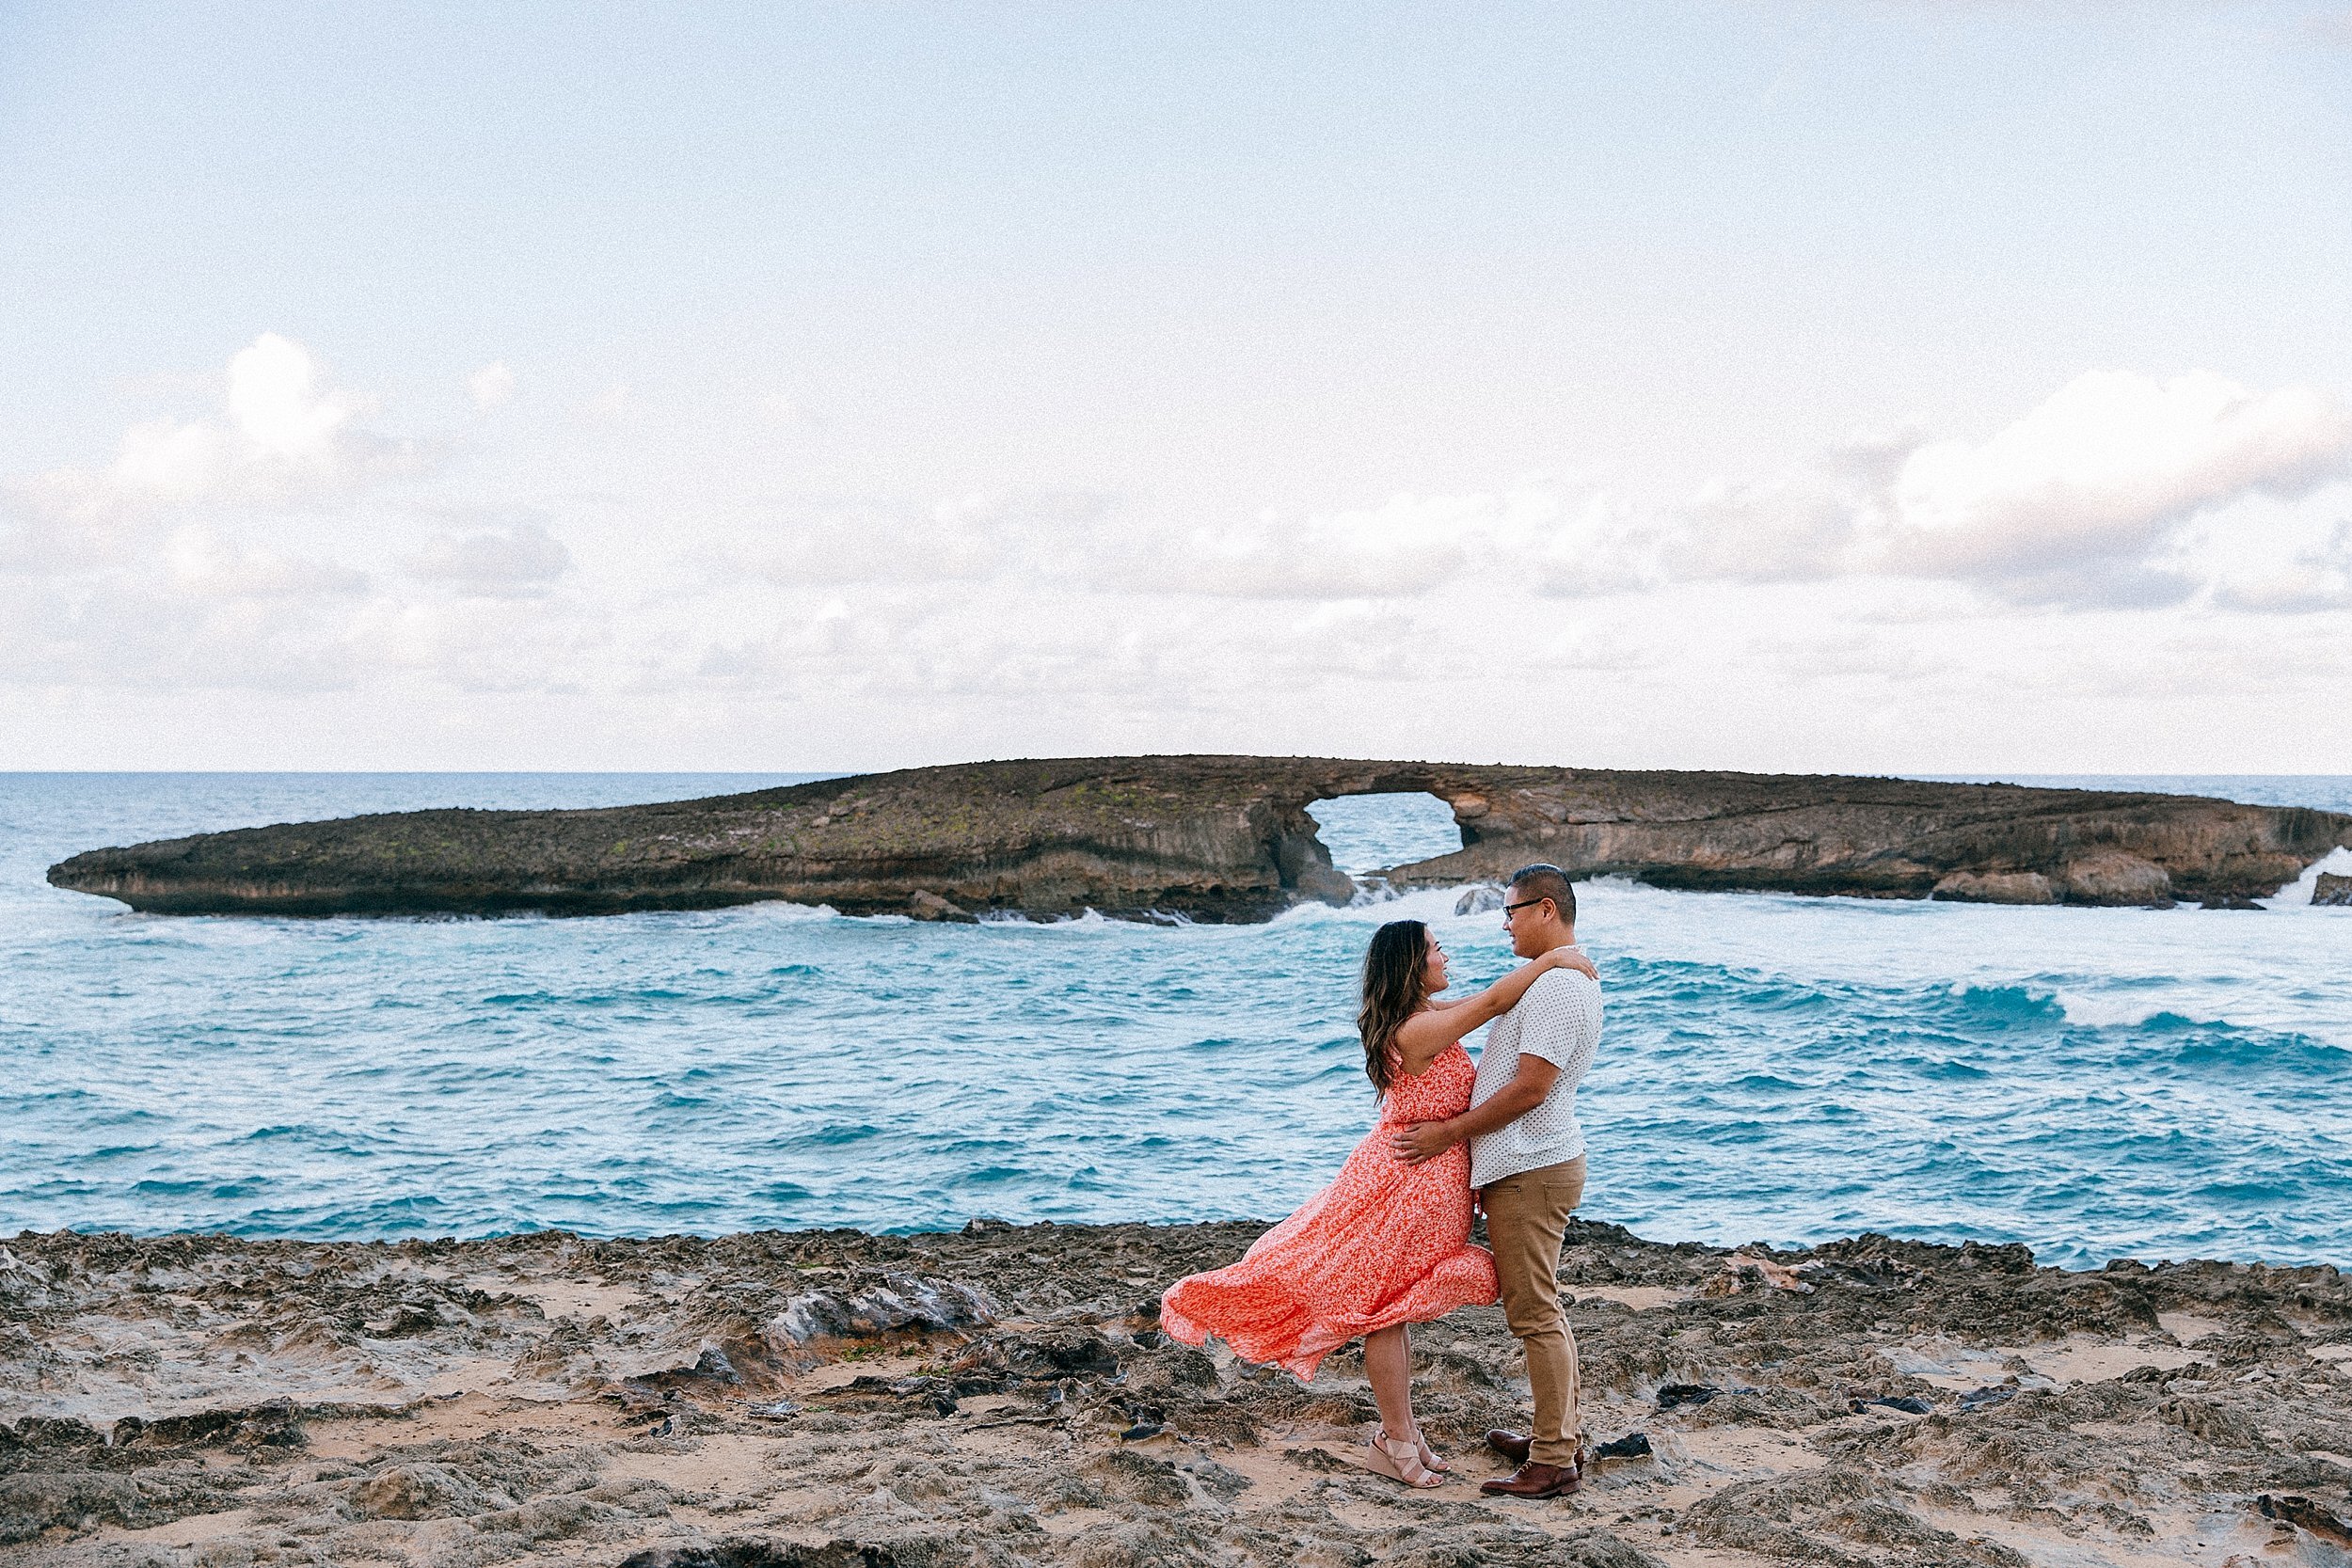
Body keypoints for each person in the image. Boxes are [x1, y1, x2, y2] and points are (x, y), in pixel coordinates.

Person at [1160, 919, 1596, 1488]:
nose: (1446, 955)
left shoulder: (1422, 1019)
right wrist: (1553, 962)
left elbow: (1485, 999)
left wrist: (1549, 967)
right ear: (1413, 966)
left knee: (1396, 1307)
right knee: (1384, 1310)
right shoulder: (1415, 1033)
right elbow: (1492, 1000)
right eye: (1436, 949)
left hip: (1422, 1179)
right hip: (1404, 1184)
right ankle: (1394, 1442)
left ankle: (1404, 1438)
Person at [1391, 863, 1604, 1498]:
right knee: (1541, 1308)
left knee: (1535, 1313)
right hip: (1527, 1163)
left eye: (1509, 911)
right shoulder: (1548, 981)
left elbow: (1531, 1088)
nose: (1503, 923)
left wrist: (1449, 1133)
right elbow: (1484, 1009)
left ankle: (1553, 1459)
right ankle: (1551, 1434)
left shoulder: (1559, 988)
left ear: (1544, 909)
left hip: (1532, 1167)